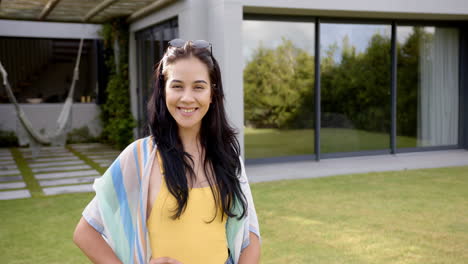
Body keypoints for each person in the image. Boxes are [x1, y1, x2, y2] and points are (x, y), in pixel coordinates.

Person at [73, 39, 261, 264]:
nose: (187, 98)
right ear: (163, 90)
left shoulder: (227, 156)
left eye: (199, 87)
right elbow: (85, 232)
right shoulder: (140, 156)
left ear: (212, 94)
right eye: (177, 85)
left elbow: (249, 235)